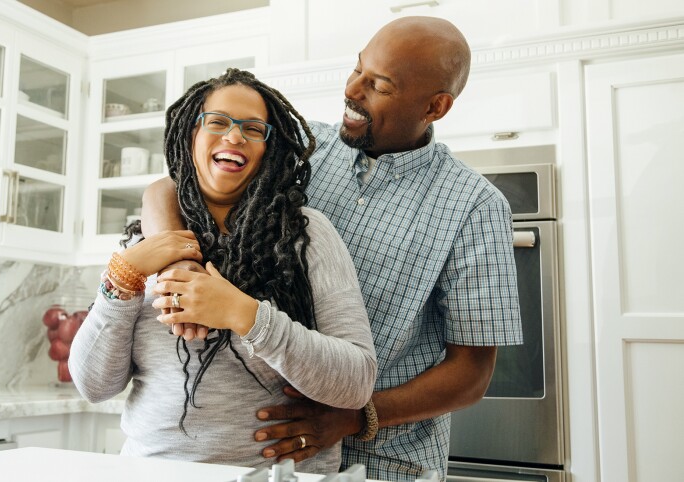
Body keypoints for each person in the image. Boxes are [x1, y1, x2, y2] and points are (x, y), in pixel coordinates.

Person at [140, 17, 523, 482]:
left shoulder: (474, 205)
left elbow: (471, 373)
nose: (352, 89)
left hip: (389, 461)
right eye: (357, 68)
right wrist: (181, 267)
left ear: (435, 106)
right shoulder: (302, 148)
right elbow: (171, 185)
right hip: (275, 456)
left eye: (378, 84)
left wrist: (355, 417)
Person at [69, 68, 377, 475]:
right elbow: (93, 386)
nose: (234, 137)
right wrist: (121, 281)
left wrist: (245, 315)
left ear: (269, 149)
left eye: (253, 129)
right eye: (217, 122)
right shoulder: (142, 243)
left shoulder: (306, 234)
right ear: (190, 135)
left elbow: (356, 382)